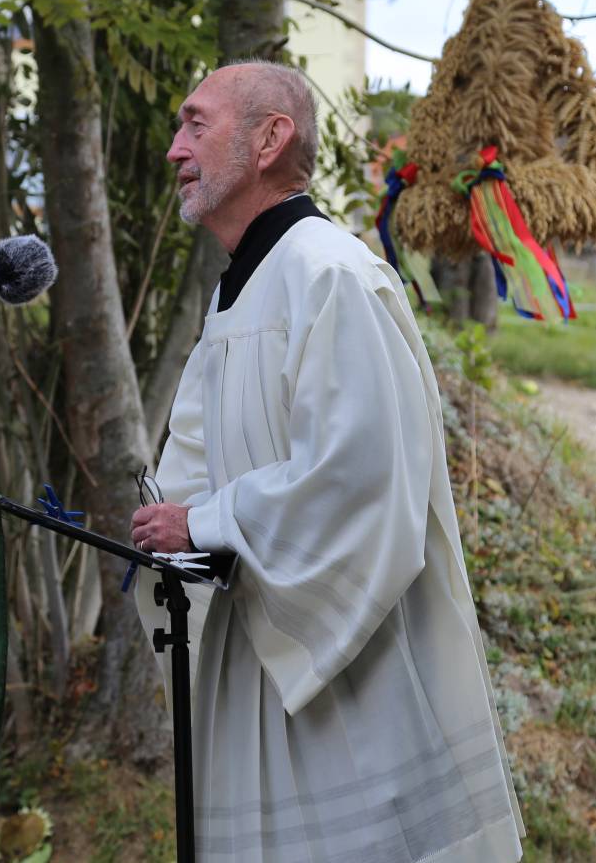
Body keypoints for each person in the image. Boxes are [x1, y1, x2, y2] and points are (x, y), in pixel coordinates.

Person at [129, 61, 524, 862]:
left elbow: (363, 475)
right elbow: (198, 457)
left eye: (195, 124)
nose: (175, 148)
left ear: (271, 138)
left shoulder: (330, 273)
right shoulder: (239, 292)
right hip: (256, 650)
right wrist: (158, 537)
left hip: (347, 670)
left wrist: (202, 523)